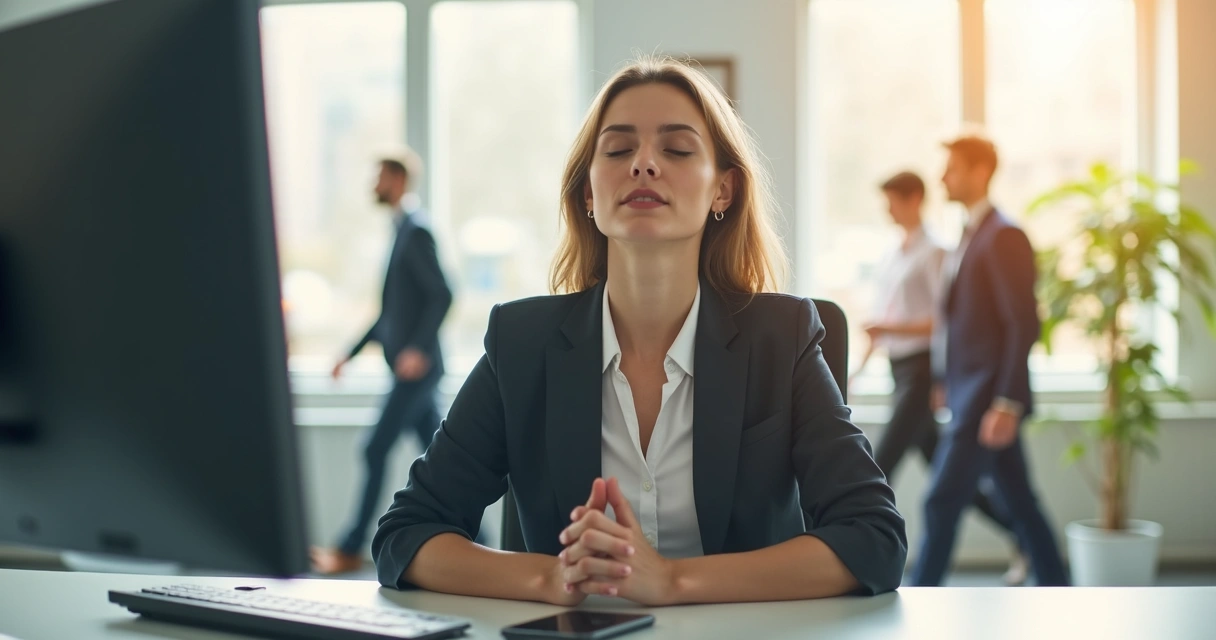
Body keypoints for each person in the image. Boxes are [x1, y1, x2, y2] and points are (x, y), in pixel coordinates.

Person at [370, 57, 906, 606]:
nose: (644, 165)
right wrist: (548, 579)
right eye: (619, 149)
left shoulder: (783, 337)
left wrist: (673, 583)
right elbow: (406, 535)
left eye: (676, 149)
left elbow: (873, 538)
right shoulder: (521, 343)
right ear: (587, 193)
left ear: (722, 190)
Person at [854, 171, 1027, 585]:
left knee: (879, 466)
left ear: (914, 200)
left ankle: (858, 562)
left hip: (920, 374)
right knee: (954, 483)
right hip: (899, 372)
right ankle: (1021, 536)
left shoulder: (935, 253)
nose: (887, 210)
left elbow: (943, 323)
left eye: (893, 200)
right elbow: (888, 318)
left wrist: (936, 377)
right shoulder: (895, 253)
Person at [911, 134, 1068, 587]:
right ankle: (1059, 587)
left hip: (987, 398)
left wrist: (1007, 402)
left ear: (980, 172)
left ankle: (919, 596)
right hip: (966, 392)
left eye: (953, 168)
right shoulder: (969, 234)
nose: (943, 176)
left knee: (940, 501)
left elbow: (1023, 324)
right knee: (1019, 501)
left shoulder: (1004, 236)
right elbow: (960, 321)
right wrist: (943, 378)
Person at [311, 150, 454, 575]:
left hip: (417, 371)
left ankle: (352, 545)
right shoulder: (400, 231)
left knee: (374, 449)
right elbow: (389, 315)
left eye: (378, 177)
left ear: (397, 180)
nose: (373, 185)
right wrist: (347, 356)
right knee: (441, 459)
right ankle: (480, 541)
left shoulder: (416, 230)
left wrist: (417, 349)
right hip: (410, 370)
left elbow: (443, 293)